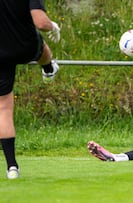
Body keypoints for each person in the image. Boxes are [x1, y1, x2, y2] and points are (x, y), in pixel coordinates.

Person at [0, 0, 61, 179]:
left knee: (3, 109)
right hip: (24, 46)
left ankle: (12, 167)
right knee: (42, 49)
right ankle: (48, 68)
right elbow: (41, 22)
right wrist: (53, 26)